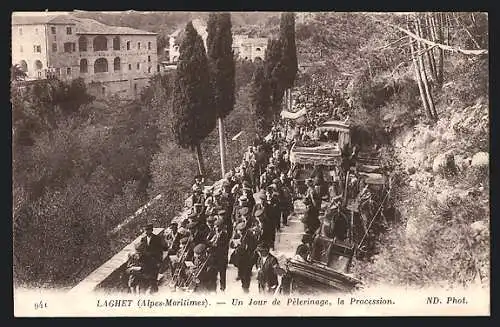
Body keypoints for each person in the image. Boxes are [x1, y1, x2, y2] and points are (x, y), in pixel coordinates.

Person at [230, 222, 258, 293]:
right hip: (241, 258)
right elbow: (232, 244)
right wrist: (235, 244)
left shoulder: (249, 236)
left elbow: (250, 248)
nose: (239, 232)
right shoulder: (241, 235)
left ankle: (246, 288)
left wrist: (239, 245)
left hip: (247, 259)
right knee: (242, 274)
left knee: (246, 275)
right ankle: (244, 286)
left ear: (244, 230)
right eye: (239, 231)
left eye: (241, 231)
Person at [138, 222, 164, 293]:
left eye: (148, 230)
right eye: (146, 230)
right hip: (146, 262)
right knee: (147, 278)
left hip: (155, 261)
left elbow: (160, 251)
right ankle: (150, 291)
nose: (146, 231)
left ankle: (154, 292)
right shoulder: (143, 239)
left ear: (151, 230)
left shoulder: (157, 238)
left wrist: (159, 261)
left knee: (154, 277)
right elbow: (141, 250)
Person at [210, 217, 230, 292]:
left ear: (221, 227)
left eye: (218, 227)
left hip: (222, 257)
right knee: (214, 273)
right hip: (215, 257)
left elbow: (221, 245)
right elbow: (211, 241)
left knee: (222, 274)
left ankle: (222, 288)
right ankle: (214, 287)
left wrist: (213, 245)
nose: (216, 229)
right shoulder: (215, 234)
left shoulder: (224, 235)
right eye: (215, 227)